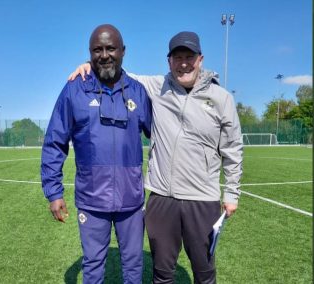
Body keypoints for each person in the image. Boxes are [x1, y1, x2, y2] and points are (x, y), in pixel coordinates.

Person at [69, 31, 243, 284]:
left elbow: (233, 149)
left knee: (205, 272)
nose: (183, 63)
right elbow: (118, 72)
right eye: (177, 57)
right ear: (169, 61)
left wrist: (232, 194)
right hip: (162, 198)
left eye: (189, 57)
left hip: (202, 198)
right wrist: (91, 65)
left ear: (200, 59)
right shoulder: (155, 87)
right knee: (162, 273)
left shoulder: (221, 99)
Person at [41, 24, 152, 284]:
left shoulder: (138, 91)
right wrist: (54, 192)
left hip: (131, 201)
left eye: (110, 48)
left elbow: (162, 135)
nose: (104, 55)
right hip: (91, 200)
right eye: (97, 50)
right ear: (89, 53)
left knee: (134, 265)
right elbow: (55, 141)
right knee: (92, 266)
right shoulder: (74, 90)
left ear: (123, 51)